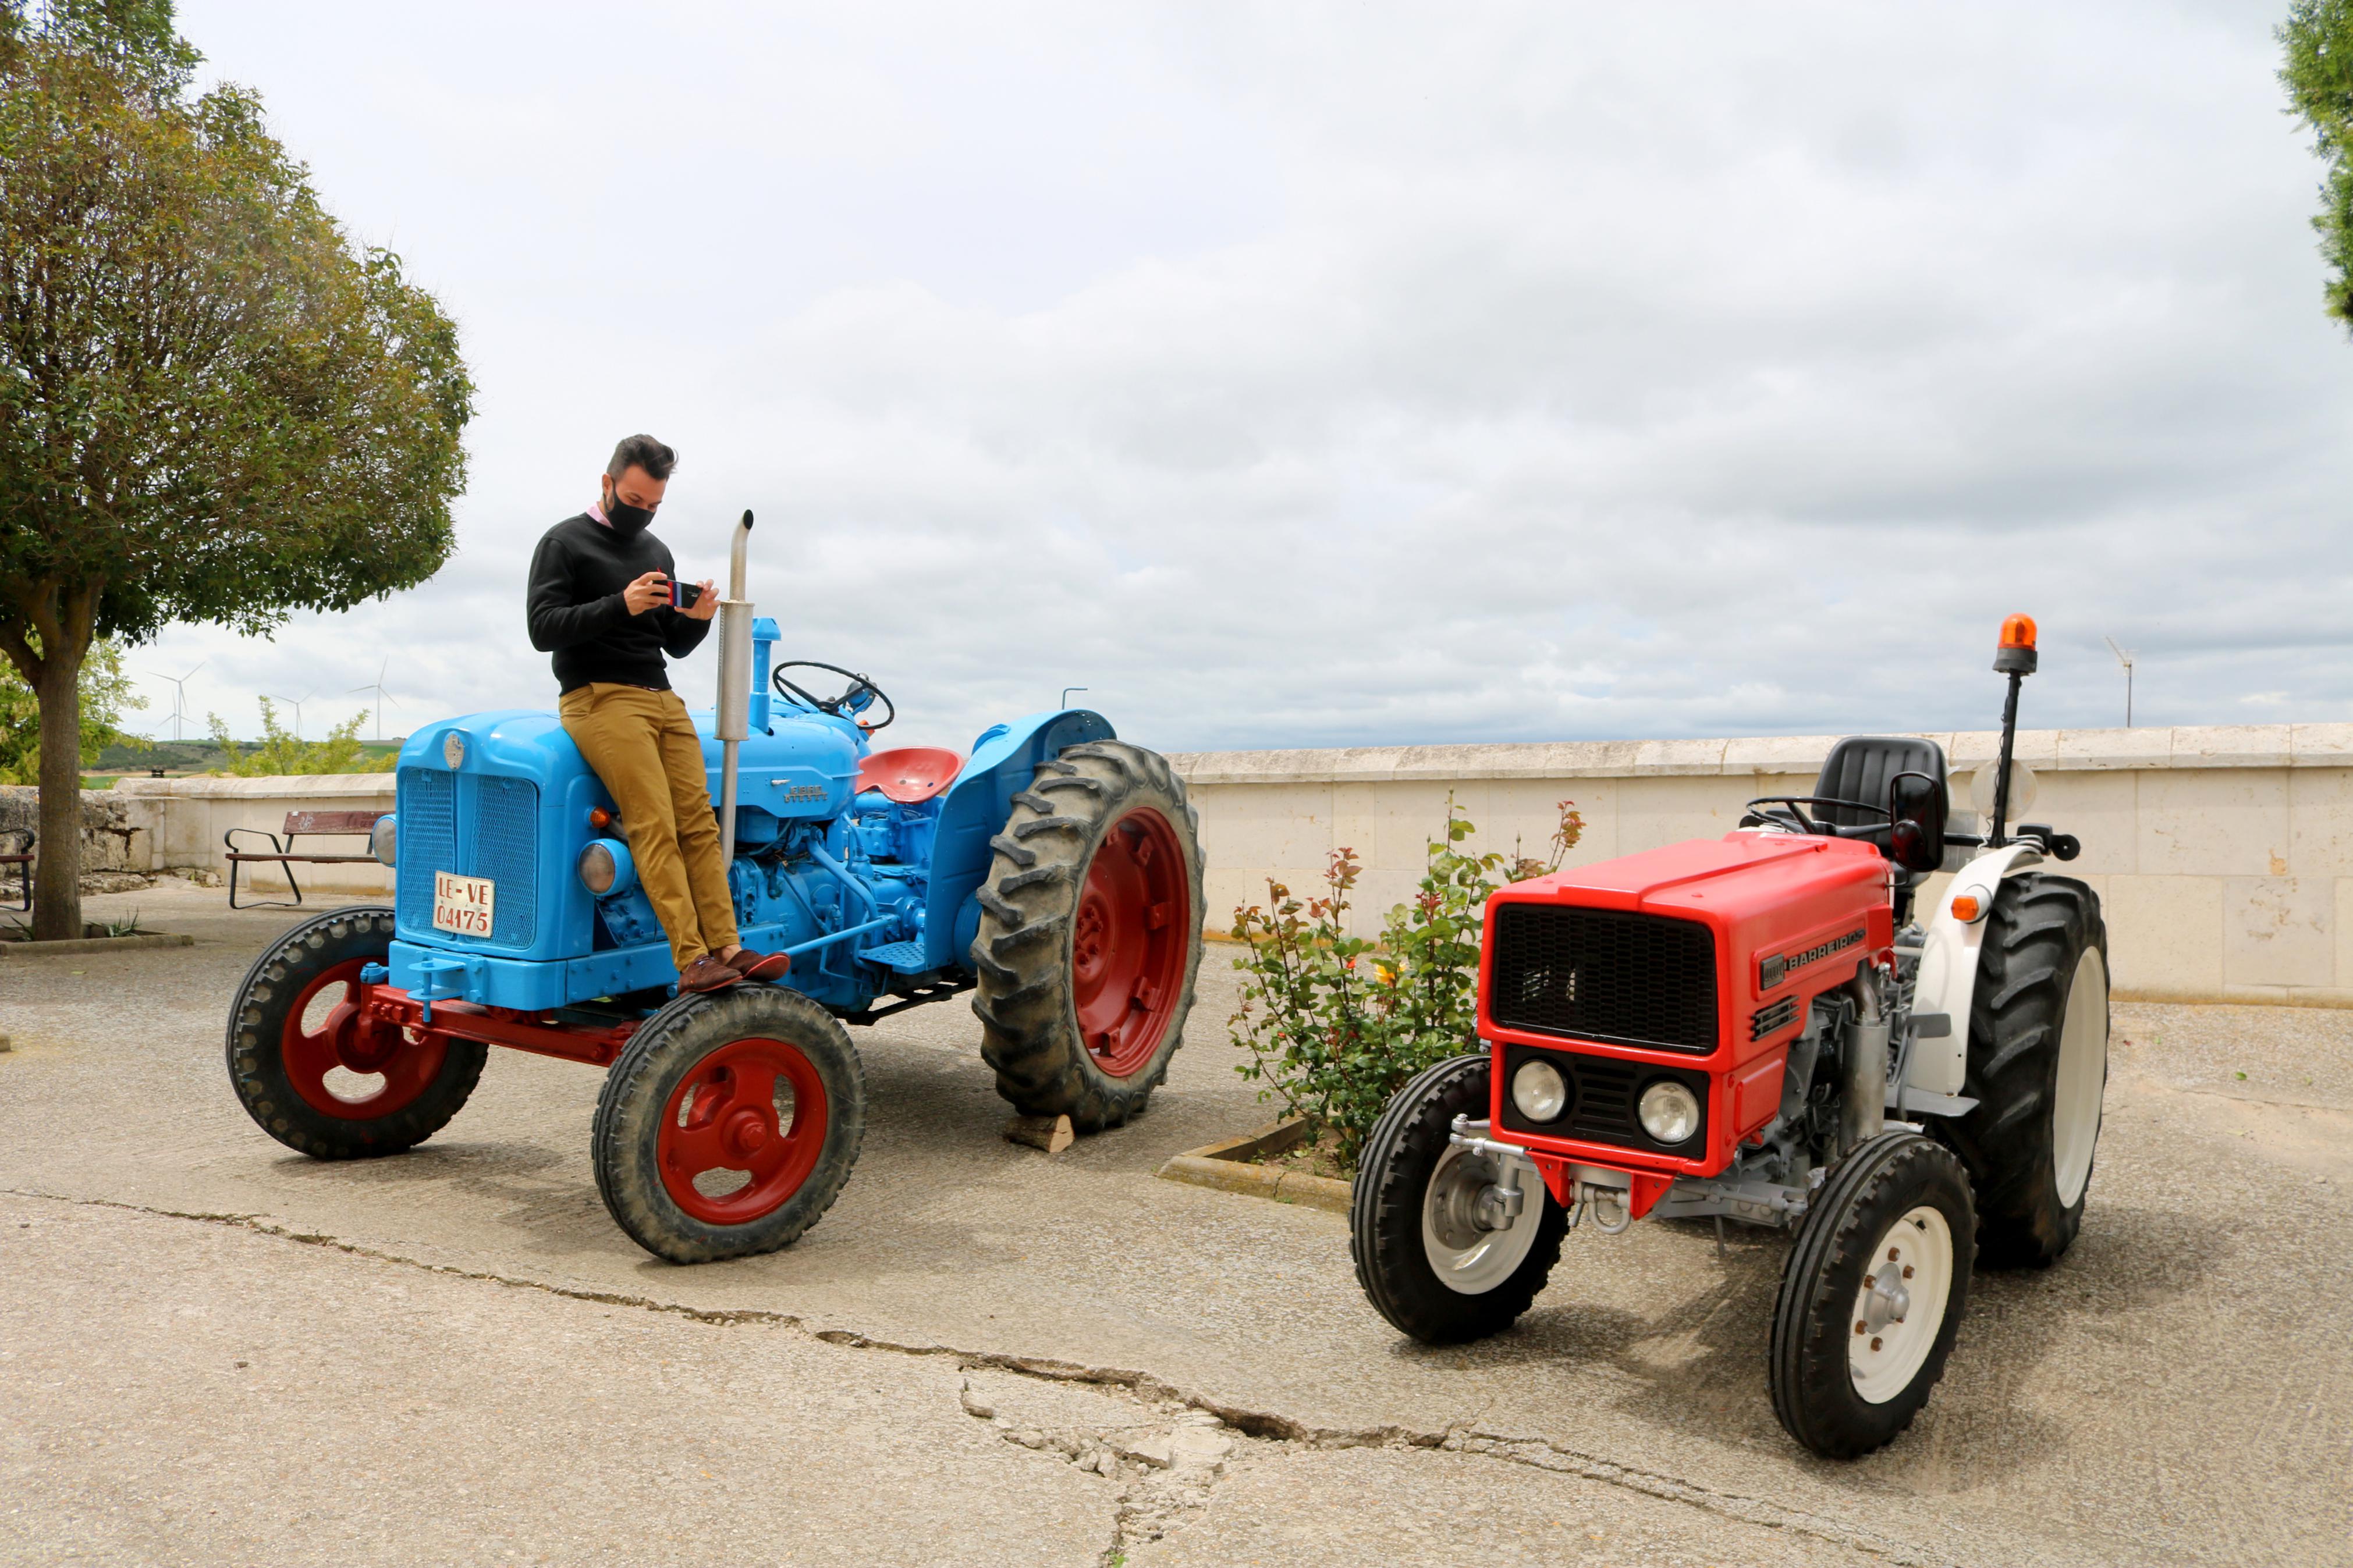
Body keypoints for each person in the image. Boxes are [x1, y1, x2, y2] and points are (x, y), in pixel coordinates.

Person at [525, 434, 787, 992]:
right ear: (607, 483)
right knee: (652, 822)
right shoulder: (563, 542)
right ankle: (691, 960)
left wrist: (697, 615)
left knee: (699, 823)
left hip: (662, 697)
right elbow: (542, 628)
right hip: (599, 697)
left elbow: (673, 644)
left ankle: (728, 946)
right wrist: (619, 603)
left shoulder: (655, 550)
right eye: (634, 500)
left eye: (652, 506)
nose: (641, 513)